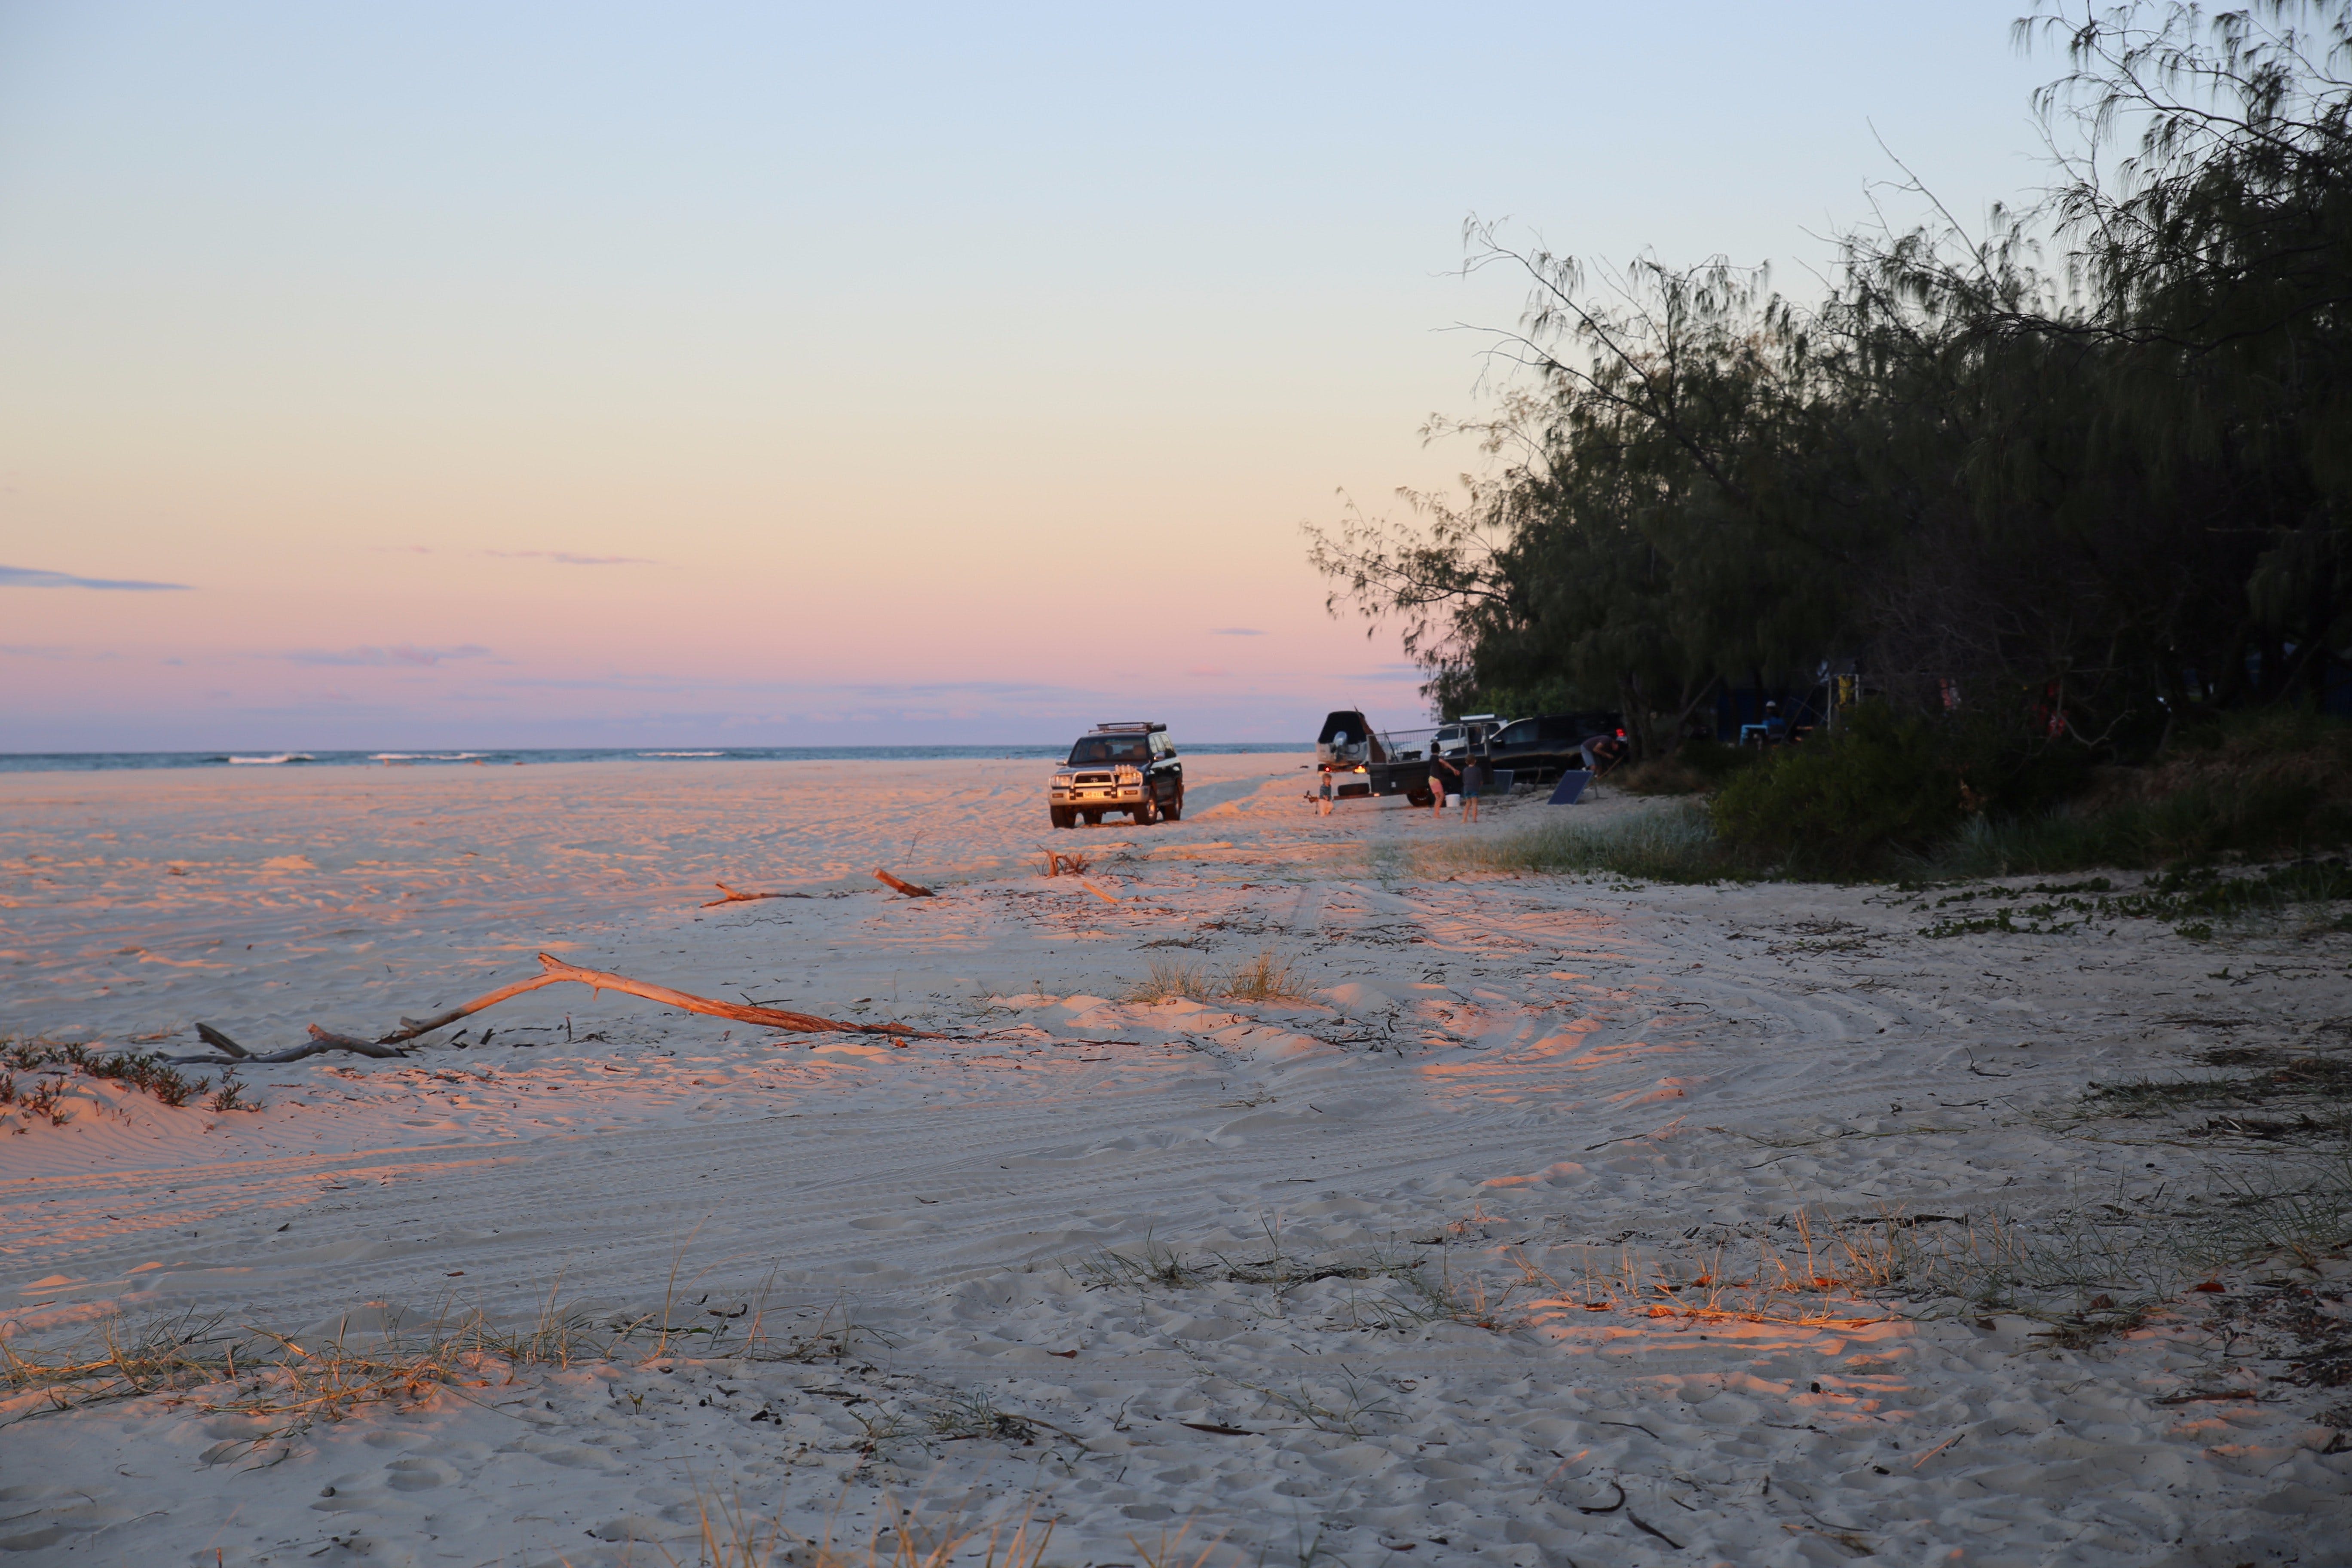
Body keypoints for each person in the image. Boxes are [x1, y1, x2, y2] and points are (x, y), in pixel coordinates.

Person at [1428, 752, 1458, 819]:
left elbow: (1445, 764)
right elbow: (1445, 763)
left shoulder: (1436, 766)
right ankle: (1436, 813)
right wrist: (1454, 770)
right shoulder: (1437, 760)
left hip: (1431, 780)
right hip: (1434, 780)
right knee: (1442, 796)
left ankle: (1436, 813)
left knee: (1438, 797)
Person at [1460, 751, 1482, 823]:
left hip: (1467, 789)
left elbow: (1464, 780)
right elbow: (1481, 781)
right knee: (1475, 804)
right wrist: (1479, 785)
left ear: (1466, 762)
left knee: (1468, 804)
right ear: (1475, 761)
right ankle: (1474, 819)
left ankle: (1464, 819)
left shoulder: (1465, 770)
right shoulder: (1478, 769)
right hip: (1475, 788)